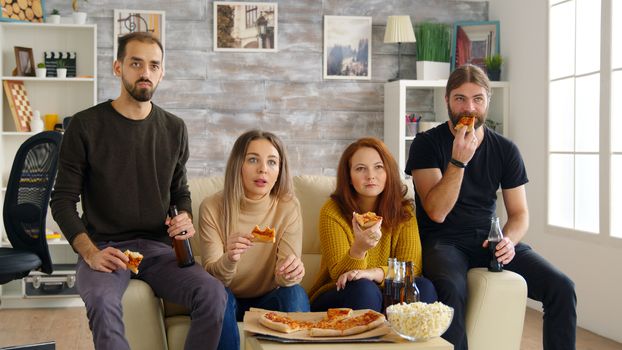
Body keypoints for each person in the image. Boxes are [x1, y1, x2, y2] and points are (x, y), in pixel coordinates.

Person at [50, 32, 226, 350]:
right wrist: (89, 252)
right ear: (118, 68)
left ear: (162, 72)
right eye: (136, 63)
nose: (145, 72)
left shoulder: (174, 129)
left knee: (213, 294)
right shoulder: (84, 126)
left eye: (153, 65)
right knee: (103, 303)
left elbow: (179, 191)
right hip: (106, 247)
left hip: (160, 251)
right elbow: (62, 201)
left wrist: (184, 215)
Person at [405, 64, 576, 350]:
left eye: (477, 99)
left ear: (487, 102)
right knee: (450, 289)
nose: (468, 107)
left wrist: (509, 240)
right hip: (443, 241)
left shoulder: (505, 149)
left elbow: (519, 214)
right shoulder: (426, 143)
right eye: (460, 98)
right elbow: (436, 211)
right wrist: (458, 161)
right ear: (446, 100)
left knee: (562, 287)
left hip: (489, 239)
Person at [198, 130, 310, 350]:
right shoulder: (211, 207)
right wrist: (229, 258)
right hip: (226, 296)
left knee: (295, 293)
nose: (263, 170)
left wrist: (290, 273)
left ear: (279, 171)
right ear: (238, 165)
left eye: (272, 162)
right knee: (217, 295)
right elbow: (213, 279)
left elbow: (284, 277)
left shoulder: (288, 207)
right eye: (253, 160)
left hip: (268, 300)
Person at [309, 137, 437, 312]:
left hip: (385, 291)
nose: (370, 176)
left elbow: (412, 268)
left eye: (378, 167)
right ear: (349, 176)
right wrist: (359, 249)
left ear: (388, 172)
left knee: (424, 287)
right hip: (339, 292)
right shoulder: (333, 212)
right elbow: (340, 276)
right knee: (365, 289)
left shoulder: (403, 212)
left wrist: (374, 274)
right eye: (360, 169)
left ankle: (404, 338)